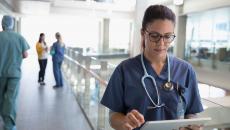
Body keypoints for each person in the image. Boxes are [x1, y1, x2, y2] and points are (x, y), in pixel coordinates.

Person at [100, 5, 203, 130]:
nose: (161, 43)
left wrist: (192, 124)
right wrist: (124, 121)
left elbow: (191, 113)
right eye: (154, 36)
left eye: (167, 36)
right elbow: (113, 116)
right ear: (143, 33)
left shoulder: (185, 70)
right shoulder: (124, 70)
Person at [0, 15, 30, 130]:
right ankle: (9, 125)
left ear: (2, 24)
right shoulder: (19, 37)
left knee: (1, 97)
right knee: (11, 99)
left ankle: (4, 118)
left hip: (0, 73)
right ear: (12, 24)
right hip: (14, 74)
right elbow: (25, 54)